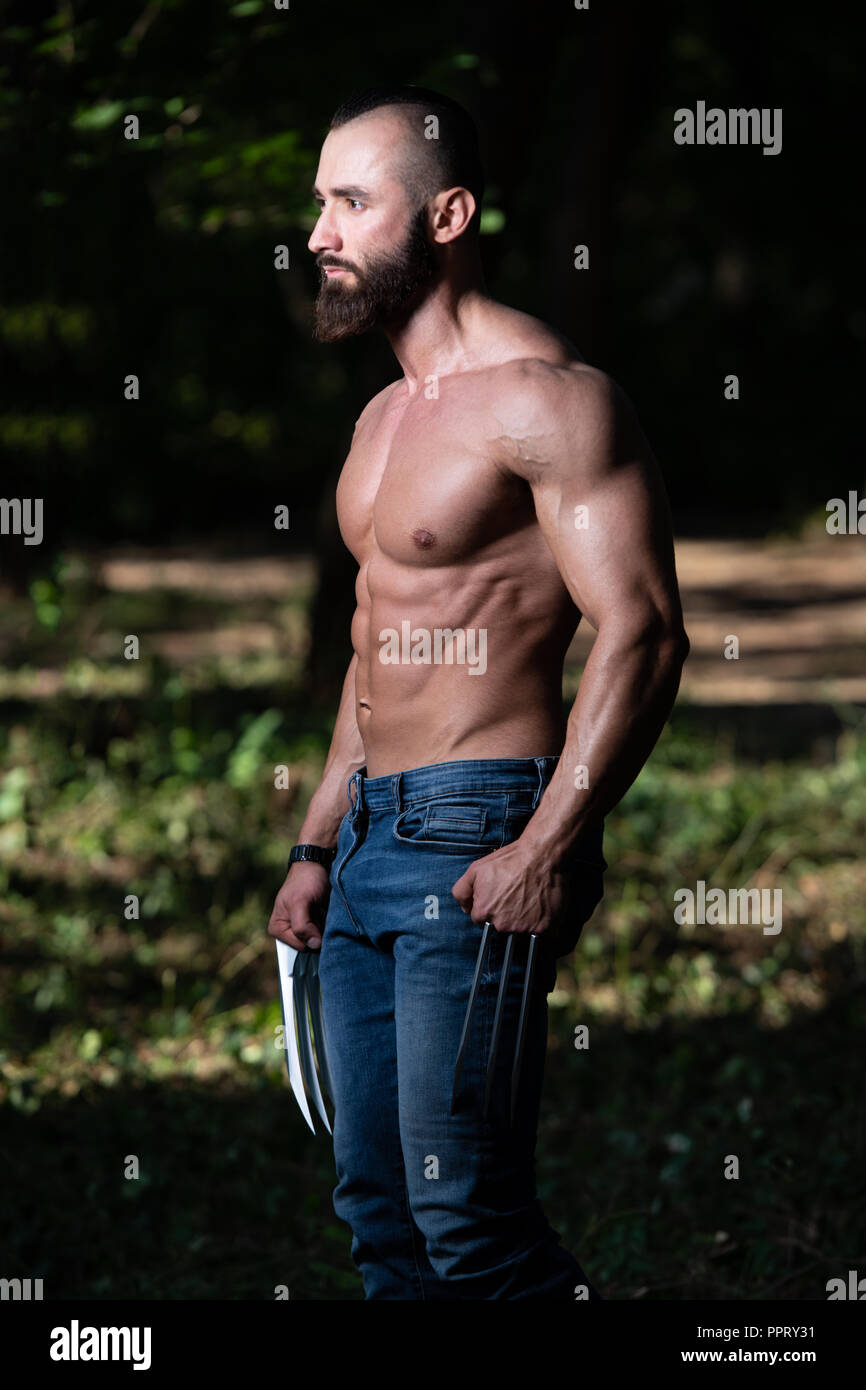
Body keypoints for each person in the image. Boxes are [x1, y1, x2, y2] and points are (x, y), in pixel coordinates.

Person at [267, 84, 690, 1300]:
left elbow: (644, 631)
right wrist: (310, 847)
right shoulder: (380, 420)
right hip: (363, 841)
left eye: (351, 201)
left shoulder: (549, 399)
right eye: (318, 203)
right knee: (380, 1214)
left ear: (445, 214)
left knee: (469, 1222)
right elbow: (372, 652)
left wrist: (550, 842)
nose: (319, 234)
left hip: (477, 826)